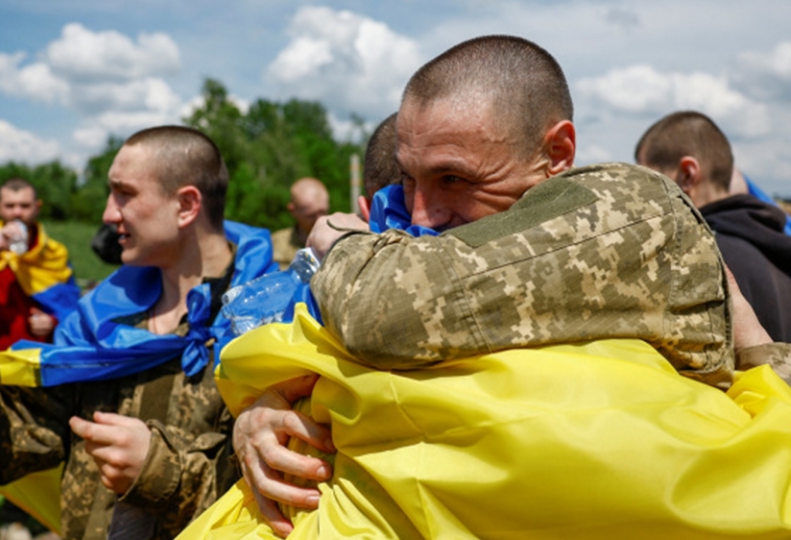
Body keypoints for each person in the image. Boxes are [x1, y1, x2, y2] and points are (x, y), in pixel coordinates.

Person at [213, 36, 791, 538]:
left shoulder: (629, 204)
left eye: (453, 179)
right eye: (409, 180)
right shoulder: (471, 257)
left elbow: (380, 313)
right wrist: (265, 415)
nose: (423, 213)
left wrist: (337, 241)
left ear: (556, 154)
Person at [0, 126, 277, 540]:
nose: (108, 214)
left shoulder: (272, 327)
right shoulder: (101, 323)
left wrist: (160, 469)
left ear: (185, 205)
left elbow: (289, 495)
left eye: (124, 193)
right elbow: (2, 445)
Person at [636, 111, 791, 342]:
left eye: (649, 180)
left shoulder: (699, 256)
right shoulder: (776, 244)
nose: (642, 198)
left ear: (687, 176)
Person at [0, 178, 79, 352]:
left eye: (25, 206)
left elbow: (71, 304)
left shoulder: (54, 254)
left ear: (37, 207)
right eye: (10, 206)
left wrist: (53, 321)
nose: (17, 212)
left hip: (37, 354)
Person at [271, 178, 329, 268]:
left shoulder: (339, 243)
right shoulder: (274, 246)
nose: (319, 220)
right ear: (292, 210)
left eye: (323, 212)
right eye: (311, 216)